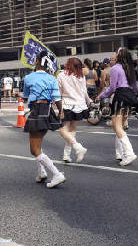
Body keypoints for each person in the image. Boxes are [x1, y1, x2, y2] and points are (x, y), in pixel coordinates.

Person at [23, 50, 66, 189]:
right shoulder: (52, 78)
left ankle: (57, 173)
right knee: (38, 146)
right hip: (48, 111)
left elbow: (26, 95)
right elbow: (57, 98)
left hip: (37, 111)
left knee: (34, 149)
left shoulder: (29, 78)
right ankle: (41, 173)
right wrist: (61, 112)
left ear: (36, 62)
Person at [99, 47, 138, 165]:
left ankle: (129, 153)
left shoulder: (115, 68)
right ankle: (120, 154)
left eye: (115, 53)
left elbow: (112, 88)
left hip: (120, 96)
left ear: (119, 55)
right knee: (120, 126)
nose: (114, 55)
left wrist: (101, 96)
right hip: (130, 96)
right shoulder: (131, 69)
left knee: (117, 127)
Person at [57, 57, 91, 163]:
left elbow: (58, 92)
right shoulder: (81, 76)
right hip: (80, 105)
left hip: (67, 105)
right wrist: (89, 102)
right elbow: (84, 91)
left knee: (63, 130)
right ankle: (66, 155)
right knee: (72, 130)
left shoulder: (61, 75)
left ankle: (78, 148)